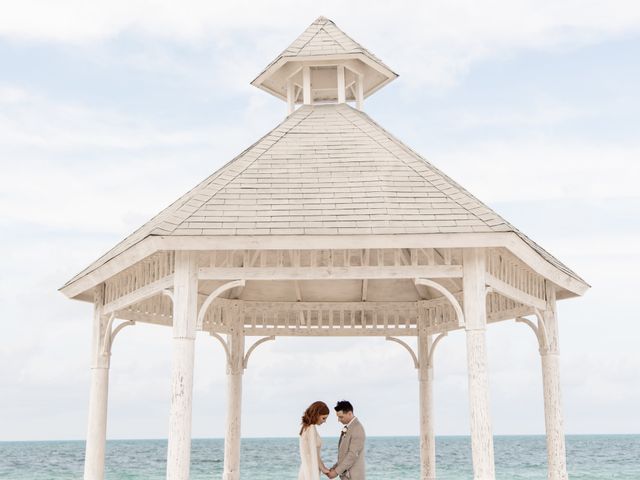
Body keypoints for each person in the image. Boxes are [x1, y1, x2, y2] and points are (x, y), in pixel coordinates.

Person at [326, 400, 366, 480]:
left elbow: (352, 455)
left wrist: (336, 472)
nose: (339, 420)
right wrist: (335, 467)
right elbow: (345, 454)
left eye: (341, 417)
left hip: (353, 477)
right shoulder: (350, 427)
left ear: (350, 413)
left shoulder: (357, 428)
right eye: (338, 417)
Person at [299, 401, 332, 480]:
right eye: (323, 418)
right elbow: (314, 454)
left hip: (305, 469)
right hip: (310, 472)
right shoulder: (311, 428)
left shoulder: (305, 427)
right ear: (316, 415)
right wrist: (324, 469)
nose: (324, 421)